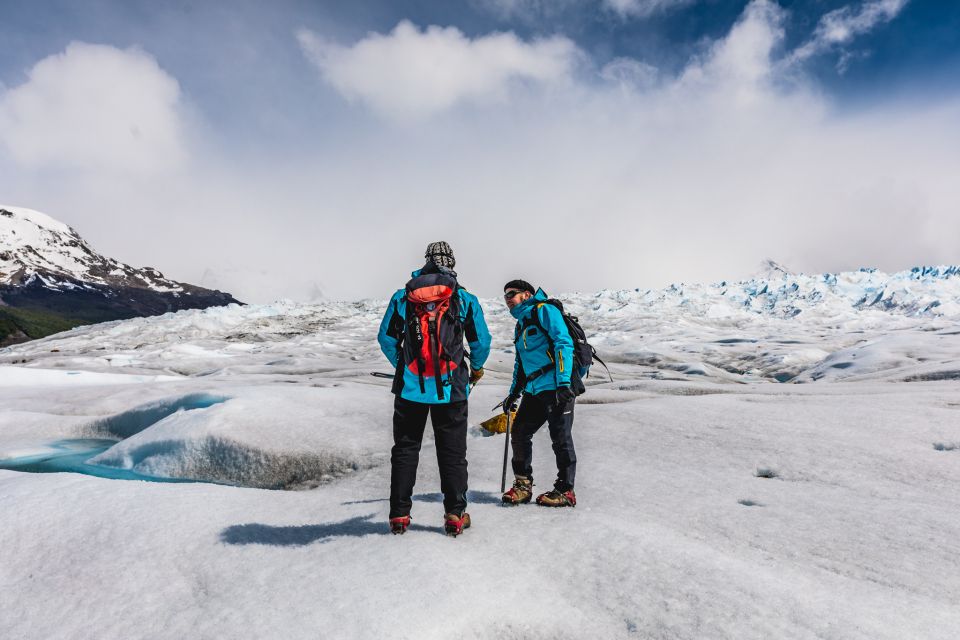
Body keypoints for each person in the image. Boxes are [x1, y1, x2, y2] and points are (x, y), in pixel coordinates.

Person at [377, 242, 491, 536]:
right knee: (452, 452)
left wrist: (407, 367)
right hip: (451, 388)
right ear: (452, 262)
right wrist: (474, 370)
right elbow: (481, 343)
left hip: (410, 390)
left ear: (425, 262)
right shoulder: (463, 298)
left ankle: (399, 516)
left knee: (405, 449)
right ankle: (454, 514)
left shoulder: (403, 297)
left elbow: (386, 339)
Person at [500, 279, 579, 507]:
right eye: (505, 296)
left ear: (526, 294)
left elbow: (563, 343)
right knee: (520, 432)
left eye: (511, 294)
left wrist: (564, 383)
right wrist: (514, 393)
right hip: (535, 389)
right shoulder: (521, 323)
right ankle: (523, 485)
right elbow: (521, 363)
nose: (507, 299)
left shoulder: (544, 310)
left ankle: (566, 490)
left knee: (560, 437)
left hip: (556, 386)